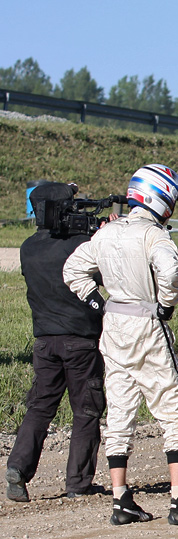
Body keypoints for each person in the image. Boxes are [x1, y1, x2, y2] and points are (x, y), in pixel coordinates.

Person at [63, 164, 178, 527]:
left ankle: (121, 500)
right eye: (172, 201)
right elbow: (171, 270)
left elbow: (73, 270)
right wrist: (166, 304)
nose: (172, 209)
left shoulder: (106, 233)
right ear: (159, 198)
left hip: (113, 326)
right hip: (146, 324)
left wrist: (98, 302)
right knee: (173, 410)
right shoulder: (153, 235)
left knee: (119, 410)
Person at [6, 182, 106, 503]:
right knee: (86, 410)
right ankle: (78, 483)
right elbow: (105, 276)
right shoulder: (81, 246)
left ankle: (17, 469)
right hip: (81, 341)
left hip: (44, 341)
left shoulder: (28, 247)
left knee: (40, 407)